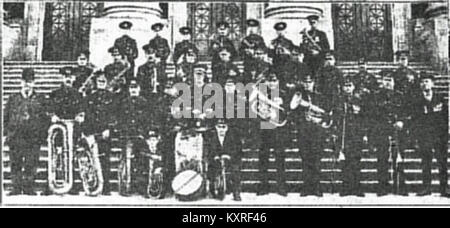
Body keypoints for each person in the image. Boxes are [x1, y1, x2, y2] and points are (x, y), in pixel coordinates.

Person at [4, 69, 49, 195]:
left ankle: (29, 187)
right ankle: (16, 188)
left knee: (31, 162)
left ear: (34, 83)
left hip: (33, 138)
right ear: (20, 82)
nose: (27, 84)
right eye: (24, 81)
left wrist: (42, 135)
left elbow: (45, 119)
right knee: (15, 162)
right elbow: (5, 117)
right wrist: (5, 134)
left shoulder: (40, 98)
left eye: (29, 81)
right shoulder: (13, 98)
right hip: (16, 136)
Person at [290, 74, 332, 196]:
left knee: (316, 160)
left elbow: (326, 114)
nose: (308, 84)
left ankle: (317, 188)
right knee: (305, 160)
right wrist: (302, 119)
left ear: (314, 83)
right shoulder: (299, 97)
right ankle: (306, 188)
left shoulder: (320, 97)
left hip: (317, 132)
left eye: (310, 82)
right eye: (305, 82)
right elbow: (293, 113)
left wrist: (318, 120)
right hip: (303, 132)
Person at [368, 71, 407, 196]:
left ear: (394, 82)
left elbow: (406, 112)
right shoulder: (375, 96)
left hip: (398, 131)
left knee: (399, 158)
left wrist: (401, 121)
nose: (388, 82)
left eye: (390, 80)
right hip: (381, 130)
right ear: (382, 82)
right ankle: (382, 187)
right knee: (382, 158)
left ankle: (399, 187)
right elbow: (372, 115)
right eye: (385, 80)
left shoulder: (400, 95)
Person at [47, 67, 84, 195]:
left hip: (72, 129)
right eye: (65, 77)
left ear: (74, 78)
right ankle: (52, 184)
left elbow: (81, 110)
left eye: (70, 77)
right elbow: (49, 110)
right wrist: (52, 115)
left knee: (72, 155)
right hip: (59, 129)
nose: (68, 79)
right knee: (56, 155)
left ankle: (72, 184)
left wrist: (80, 116)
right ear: (61, 78)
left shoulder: (78, 94)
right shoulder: (54, 93)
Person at [411, 73, 449, 197]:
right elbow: (415, 121)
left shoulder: (440, 98)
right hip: (424, 136)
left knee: (442, 162)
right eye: (422, 81)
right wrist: (416, 137)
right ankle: (426, 188)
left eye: (427, 81)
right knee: (425, 162)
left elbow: (445, 118)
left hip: (439, 136)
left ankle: (444, 188)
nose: (424, 84)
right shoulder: (416, 100)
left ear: (432, 84)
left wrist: (445, 135)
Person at [80, 71, 118, 195]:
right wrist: (87, 133)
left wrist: (109, 129)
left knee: (104, 159)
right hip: (92, 132)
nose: (101, 83)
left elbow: (113, 116)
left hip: (104, 132)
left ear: (106, 83)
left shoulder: (112, 98)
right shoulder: (89, 98)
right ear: (96, 83)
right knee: (91, 159)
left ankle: (105, 187)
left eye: (103, 81)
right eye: (99, 81)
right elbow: (86, 116)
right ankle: (92, 185)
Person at [253, 72, 289, 196]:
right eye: (270, 81)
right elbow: (255, 110)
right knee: (263, 159)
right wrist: (264, 115)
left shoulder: (284, 93)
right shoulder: (262, 94)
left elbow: (289, 112)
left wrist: (282, 105)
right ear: (267, 82)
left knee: (280, 159)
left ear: (278, 81)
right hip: (265, 129)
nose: (272, 83)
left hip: (279, 130)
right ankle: (263, 186)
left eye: (274, 80)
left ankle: (281, 187)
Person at [116, 80, 151, 196]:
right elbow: (120, 120)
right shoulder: (124, 103)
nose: (133, 90)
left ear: (139, 89)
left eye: (135, 87)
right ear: (129, 89)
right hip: (128, 136)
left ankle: (142, 188)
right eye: (131, 88)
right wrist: (124, 132)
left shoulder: (145, 102)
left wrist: (143, 133)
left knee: (142, 162)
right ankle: (127, 187)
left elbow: (148, 119)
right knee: (127, 163)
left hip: (140, 136)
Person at [333, 75, 366, 197]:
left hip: (356, 134)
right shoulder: (338, 100)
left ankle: (357, 187)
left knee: (356, 161)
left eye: (349, 86)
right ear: (342, 87)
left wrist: (364, 133)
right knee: (345, 162)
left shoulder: (359, 100)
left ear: (354, 87)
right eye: (345, 86)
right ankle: (345, 187)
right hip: (343, 134)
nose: (347, 88)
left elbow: (364, 118)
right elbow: (335, 117)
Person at [205, 118, 243, 201]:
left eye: (223, 127)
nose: (221, 129)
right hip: (216, 160)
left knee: (235, 170)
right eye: (219, 127)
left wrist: (229, 156)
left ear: (227, 127)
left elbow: (238, 149)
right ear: (216, 127)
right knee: (211, 168)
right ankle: (214, 191)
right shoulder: (211, 136)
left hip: (230, 159)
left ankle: (236, 192)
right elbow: (208, 149)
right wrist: (215, 156)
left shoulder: (233, 136)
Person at [240, 19, 266, 84]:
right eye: (249, 27)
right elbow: (240, 52)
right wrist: (246, 51)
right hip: (248, 64)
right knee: (248, 81)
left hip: (258, 64)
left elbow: (264, 50)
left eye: (254, 27)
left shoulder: (260, 39)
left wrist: (257, 52)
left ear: (257, 29)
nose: (251, 29)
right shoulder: (245, 40)